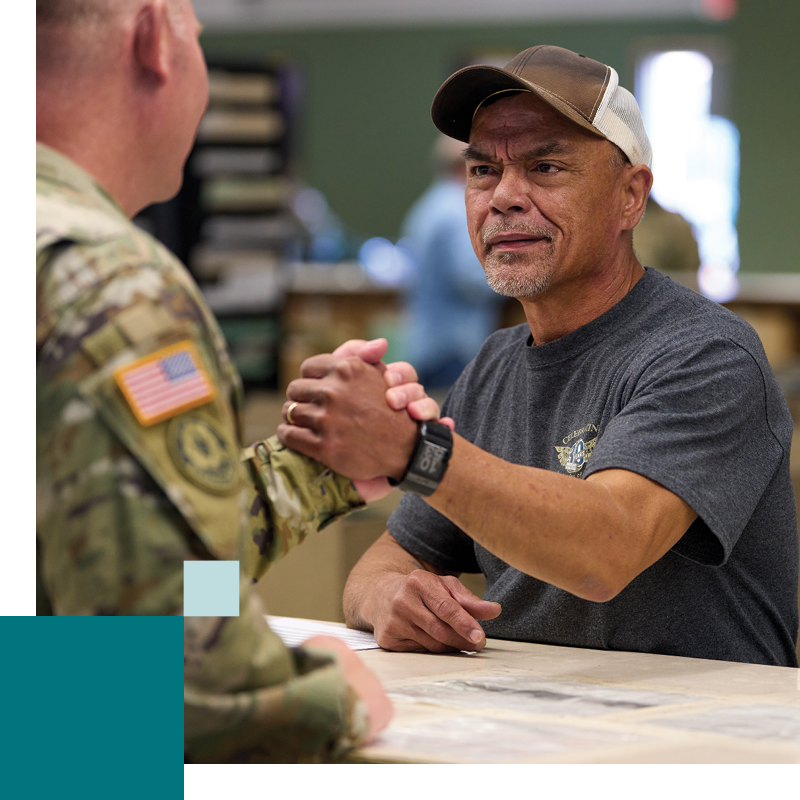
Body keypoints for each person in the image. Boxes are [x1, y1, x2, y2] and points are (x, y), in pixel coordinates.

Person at [278, 45, 799, 668]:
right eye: (481, 172)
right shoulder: (495, 365)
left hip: (700, 740)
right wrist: (388, 595)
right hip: (537, 724)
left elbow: (607, 548)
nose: (503, 197)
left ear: (630, 197)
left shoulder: (706, 355)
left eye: (546, 167)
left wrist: (413, 452)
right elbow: (383, 563)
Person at [36, 0, 443, 762]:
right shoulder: (110, 286)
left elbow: (88, 570)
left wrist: (315, 476)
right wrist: (327, 695)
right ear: (157, 36)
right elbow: (175, 685)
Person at [401, 134, 504, 389]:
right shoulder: (456, 210)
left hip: (428, 343)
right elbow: (472, 280)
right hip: (452, 349)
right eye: (485, 169)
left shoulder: (428, 206)